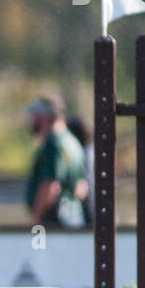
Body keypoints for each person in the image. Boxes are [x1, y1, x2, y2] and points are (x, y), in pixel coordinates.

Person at [24, 96, 89, 228]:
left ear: (44, 116)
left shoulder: (53, 144)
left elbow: (50, 186)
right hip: (73, 219)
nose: (32, 120)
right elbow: (82, 187)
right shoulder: (73, 142)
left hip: (53, 222)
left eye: (34, 115)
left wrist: (36, 220)